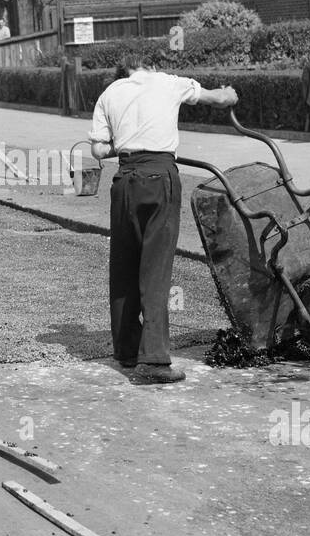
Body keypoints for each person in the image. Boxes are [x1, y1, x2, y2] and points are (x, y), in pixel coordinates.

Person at [90, 55, 239, 384]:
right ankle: (155, 361)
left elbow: (99, 151)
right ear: (150, 67)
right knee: (155, 269)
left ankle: (128, 350)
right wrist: (230, 93)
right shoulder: (170, 83)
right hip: (159, 177)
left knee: (125, 265)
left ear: (124, 72)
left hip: (125, 180)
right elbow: (218, 98)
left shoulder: (110, 93)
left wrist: (128, 143)